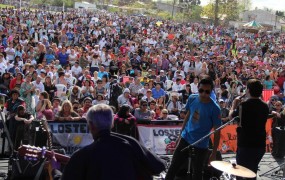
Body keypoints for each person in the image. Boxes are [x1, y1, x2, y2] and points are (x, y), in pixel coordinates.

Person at [54, 104, 165, 180]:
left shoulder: (82, 155)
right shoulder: (130, 143)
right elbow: (159, 166)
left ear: (90, 125)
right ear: (112, 124)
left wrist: (54, 171)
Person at [166, 76, 222, 180]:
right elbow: (188, 115)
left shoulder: (215, 109)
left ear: (211, 92)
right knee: (173, 167)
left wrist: (214, 153)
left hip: (201, 145)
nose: (203, 94)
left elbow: (217, 132)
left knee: (197, 174)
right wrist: (180, 135)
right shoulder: (192, 98)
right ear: (198, 88)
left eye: (207, 92)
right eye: (201, 91)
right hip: (185, 138)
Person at [230, 79, 269, 180]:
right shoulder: (265, 106)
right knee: (253, 172)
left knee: (241, 172)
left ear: (248, 90)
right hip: (260, 145)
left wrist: (234, 104)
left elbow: (231, 117)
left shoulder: (243, 106)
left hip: (245, 145)